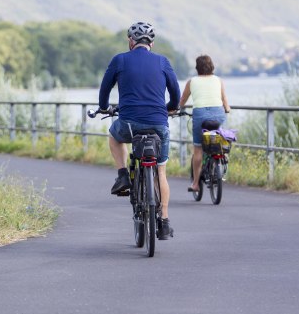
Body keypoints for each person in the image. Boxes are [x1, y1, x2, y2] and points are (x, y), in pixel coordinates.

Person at [98, 21, 181, 240]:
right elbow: (175, 95)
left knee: (115, 137)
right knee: (160, 173)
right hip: (158, 124)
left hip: (128, 125)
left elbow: (104, 89)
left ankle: (123, 174)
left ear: (130, 41)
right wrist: (171, 108)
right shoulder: (163, 61)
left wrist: (104, 107)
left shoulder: (120, 60)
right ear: (151, 43)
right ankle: (163, 221)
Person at [178, 55, 231, 192]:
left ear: (197, 68)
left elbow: (182, 100)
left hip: (200, 114)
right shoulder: (218, 80)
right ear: (212, 66)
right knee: (221, 141)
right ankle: (222, 165)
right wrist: (227, 109)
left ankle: (195, 183)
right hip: (218, 113)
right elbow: (225, 100)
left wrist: (179, 109)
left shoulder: (192, 81)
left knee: (198, 149)